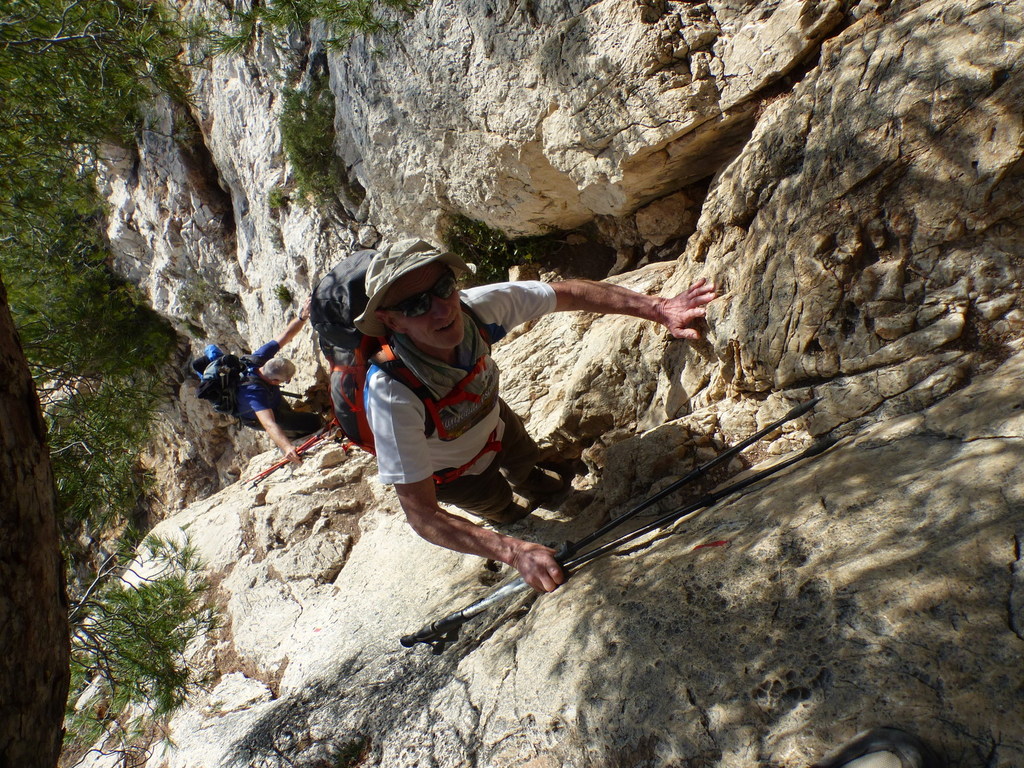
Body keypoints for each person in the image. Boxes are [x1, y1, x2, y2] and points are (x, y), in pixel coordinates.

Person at [353, 239, 716, 593]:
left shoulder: (477, 309)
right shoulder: (392, 394)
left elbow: (568, 293)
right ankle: (512, 515)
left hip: (497, 423)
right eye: (416, 305)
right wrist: (514, 551)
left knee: (527, 461)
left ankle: (544, 487)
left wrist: (657, 308)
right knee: (497, 504)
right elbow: (422, 515)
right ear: (392, 322)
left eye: (444, 286)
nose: (441, 309)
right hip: (457, 476)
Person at [235, 299, 325, 464]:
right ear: (274, 380)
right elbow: (268, 423)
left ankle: (293, 428)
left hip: (272, 399)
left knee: (292, 417)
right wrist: (287, 448)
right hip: (257, 416)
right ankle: (291, 435)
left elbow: (286, 335)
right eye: (286, 380)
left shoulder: (259, 359)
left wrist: (302, 317)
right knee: (314, 422)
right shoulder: (255, 393)